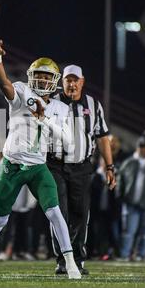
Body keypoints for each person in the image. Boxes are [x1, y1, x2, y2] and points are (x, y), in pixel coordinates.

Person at [0, 39, 81, 279]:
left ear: (53, 81)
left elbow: (67, 141)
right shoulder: (23, 91)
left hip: (37, 167)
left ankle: (70, 261)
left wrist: (45, 119)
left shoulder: (60, 108)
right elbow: (4, 85)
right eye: (39, 76)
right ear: (32, 76)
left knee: (55, 212)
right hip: (12, 165)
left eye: (47, 77)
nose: (43, 80)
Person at [47, 64, 116, 274]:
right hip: (55, 165)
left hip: (82, 167)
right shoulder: (52, 102)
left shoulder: (93, 105)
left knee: (80, 214)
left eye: (75, 79)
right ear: (62, 82)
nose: (72, 83)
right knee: (59, 212)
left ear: (82, 82)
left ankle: (76, 259)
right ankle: (62, 260)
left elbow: (102, 137)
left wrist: (110, 166)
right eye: (68, 79)